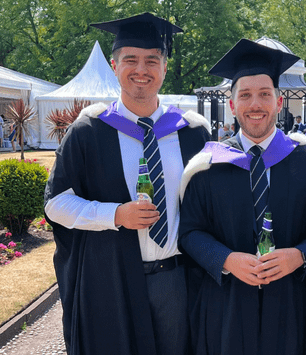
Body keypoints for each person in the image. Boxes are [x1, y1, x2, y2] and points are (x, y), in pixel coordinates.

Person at [43, 12, 210, 355]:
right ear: (114, 65)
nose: (141, 69)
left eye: (152, 59)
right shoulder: (88, 131)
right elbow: (55, 203)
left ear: (164, 66)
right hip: (111, 279)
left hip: (176, 279)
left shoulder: (192, 133)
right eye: (130, 59)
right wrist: (115, 215)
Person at [178, 39, 306, 355]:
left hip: (291, 304)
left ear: (279, 102)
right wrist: (225, 259)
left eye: (265, 94)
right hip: (229, 304)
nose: (256, 104)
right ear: (232, 104)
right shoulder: (208, 165)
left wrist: (301, 255)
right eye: (246, 95)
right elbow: (190, 232)